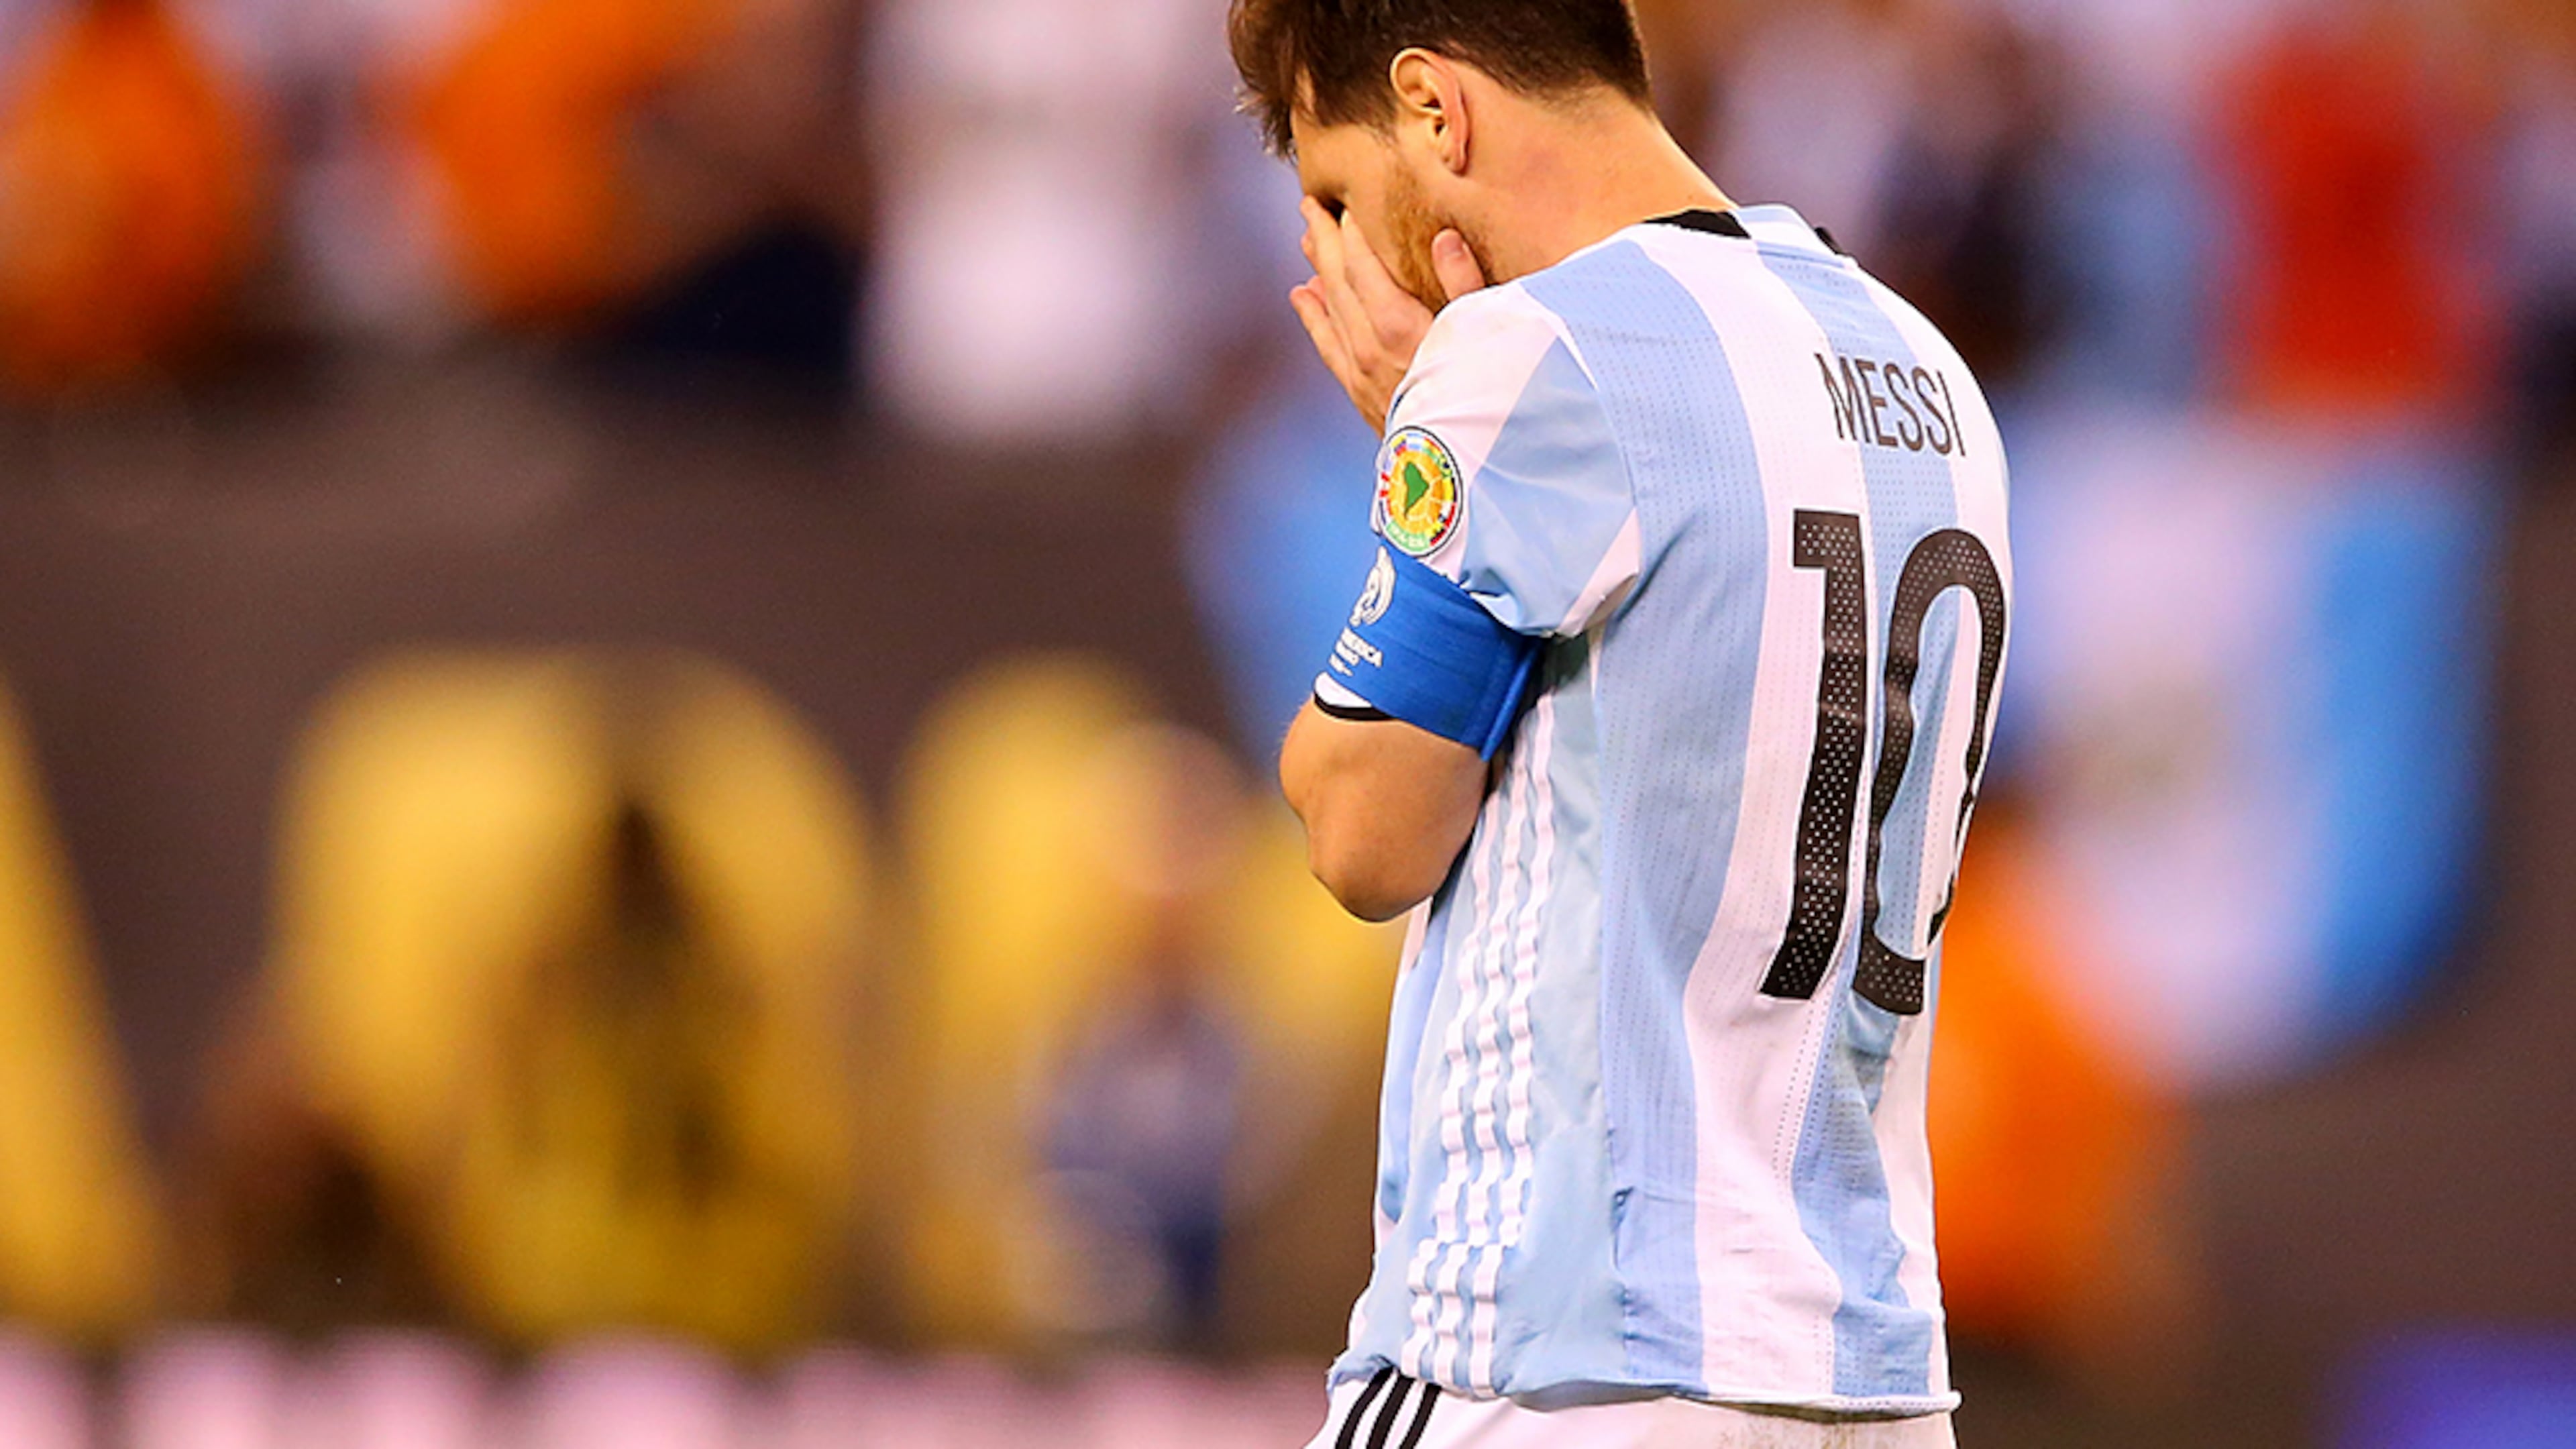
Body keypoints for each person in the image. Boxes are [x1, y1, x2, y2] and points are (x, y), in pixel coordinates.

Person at [1234, 1, 2010, 1444]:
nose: (1342, 260)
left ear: (1433, 108)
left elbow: (1365, 834)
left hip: (1556, 1360)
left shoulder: (1526, 361)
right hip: (1869, 1370)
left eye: (1337, 195)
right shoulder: (1930, 372)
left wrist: (1426, 440)